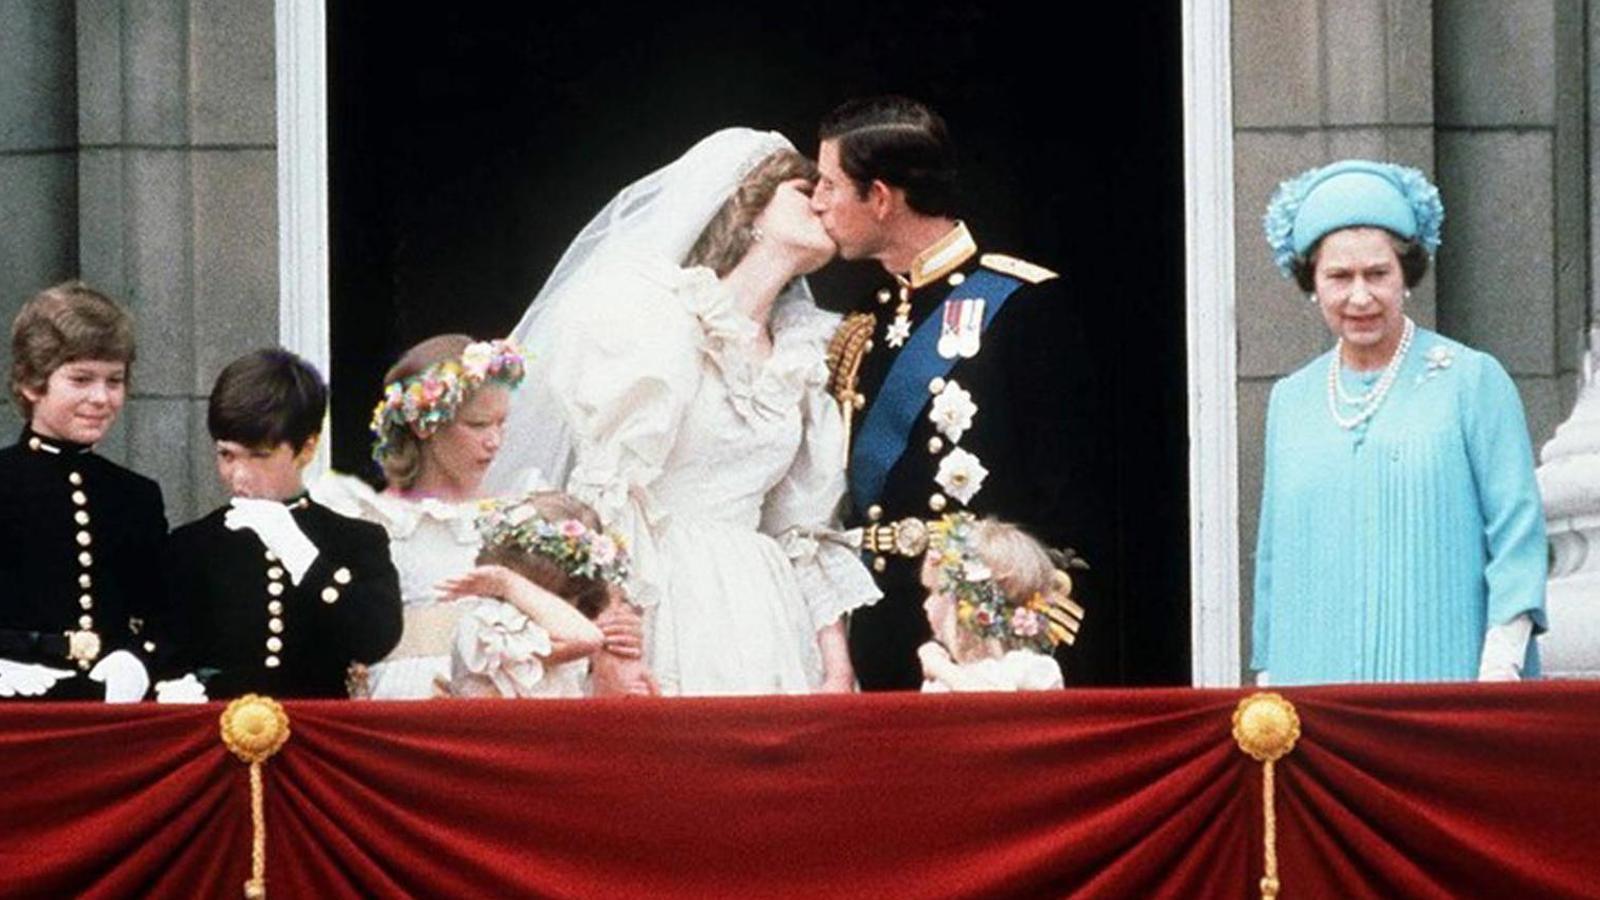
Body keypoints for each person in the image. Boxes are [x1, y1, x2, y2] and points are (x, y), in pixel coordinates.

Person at [485, 128, 880, 696]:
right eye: (803, 189)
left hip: (763, 608)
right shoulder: (659, 320)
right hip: (663, 594)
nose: (823, 202)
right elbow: (611, 492)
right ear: (748, 210)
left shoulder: (804, 352)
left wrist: (836, 666)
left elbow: (803, 526)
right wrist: (614, 637)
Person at [810, 96, 1105, 690]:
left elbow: (1066, 498)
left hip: (979, 631)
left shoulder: (1019, 305)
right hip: (878, 623)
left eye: (829, 184)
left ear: (881, 198)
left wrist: (1026, 631)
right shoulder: (863, 323)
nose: (818, 202)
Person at [1252, 159, 1548, 684]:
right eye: (1339, 277)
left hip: (1446, 683)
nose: (1360, 296)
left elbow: (1517, 538)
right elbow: (1275, 563)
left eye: (1378, 274)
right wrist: (1270, 682)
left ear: (1406, 276)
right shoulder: (1291, 400)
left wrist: (1499, 666)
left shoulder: (1471, 380)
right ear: (1312, 284)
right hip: (1315, 685)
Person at [166, 349, 403, 699]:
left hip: (318, 740)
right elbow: (169, 650)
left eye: (260, 455)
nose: (239, 475)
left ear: (307, 449)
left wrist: (304, 557)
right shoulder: (192, 545)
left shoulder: (355, 540)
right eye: (227, 455)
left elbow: (376, 638)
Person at [0, 282, 170, 702]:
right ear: (31, 383)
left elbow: (164, 616)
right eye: (81, 379)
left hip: (110, 716)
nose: (101, 398)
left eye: (114, 381)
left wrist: (138, 660)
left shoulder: (136, 496)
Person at [442, 491, 641, 699]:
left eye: (566, 597)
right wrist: (506, 583)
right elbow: (586, 639)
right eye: (539, 593)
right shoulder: (489, 627)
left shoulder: (574, 627)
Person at [916, 514, 1081, 692]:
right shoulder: (943, 680)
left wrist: (939, 666)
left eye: (934, 592)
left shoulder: (1034, 669)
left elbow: (989, 702)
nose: (926, 605)